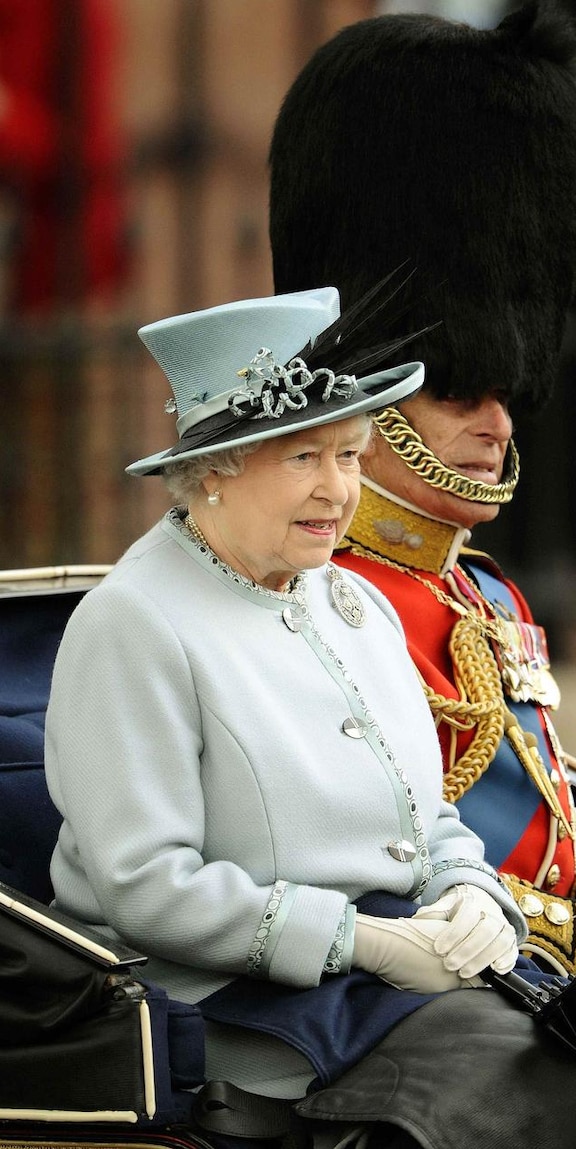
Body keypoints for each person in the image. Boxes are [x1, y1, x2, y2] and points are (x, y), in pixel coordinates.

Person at [267, 0, 576, 988]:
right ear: (367, 389)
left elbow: (529, 850)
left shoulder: (486, 601)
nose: (500, 422)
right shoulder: (296, 605)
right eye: (457, 388)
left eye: (504, 390)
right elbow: (350, 883)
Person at [43, 282, 532, 1104]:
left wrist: (469, 890)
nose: (338, 491)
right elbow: (145, 886)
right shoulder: (131, 623)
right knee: (508, 1071)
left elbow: (426, 814)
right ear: (212, 475)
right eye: (303, 457)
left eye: (347, 456)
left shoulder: (353, 601)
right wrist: (358, 941)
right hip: (230, 1010)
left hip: (394, 973)